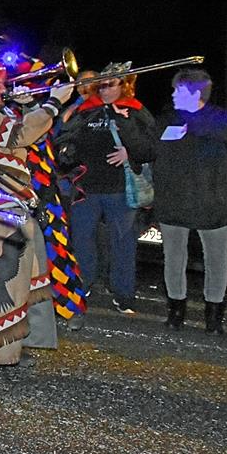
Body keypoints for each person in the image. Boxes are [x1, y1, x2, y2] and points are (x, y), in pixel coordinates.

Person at [0, 63, 73, 366]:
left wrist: (27, 106)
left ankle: (3, 344)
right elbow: (22, 134)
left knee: (17, 283)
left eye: (2, 86)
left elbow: (14, 139)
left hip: (8, 209)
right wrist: (53, 102)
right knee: (0, 287)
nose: (2, 91)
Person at [152, 69, 227, 334]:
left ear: (195, 94)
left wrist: (198, 125)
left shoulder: (218, 118)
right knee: (173, 259)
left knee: (216, 260)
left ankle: (214, 317)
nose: (173, 94)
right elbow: (147, 148)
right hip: (173, 204)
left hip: (211, 205)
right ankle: (176, 312)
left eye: (179, 90)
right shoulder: (166, 120)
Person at [57, 64, 155, 316]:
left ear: (122, 85)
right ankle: (83, 284)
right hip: (86, 189)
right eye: (102, 84)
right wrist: (68, 152)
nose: (105, 89)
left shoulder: (135, 111)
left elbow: (149, 149)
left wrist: (129, 150)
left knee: (123, 242)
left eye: (111, 84)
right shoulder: (85, 110)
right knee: (81, 239)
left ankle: (123, 294)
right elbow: (65, 141)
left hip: (120, 189)